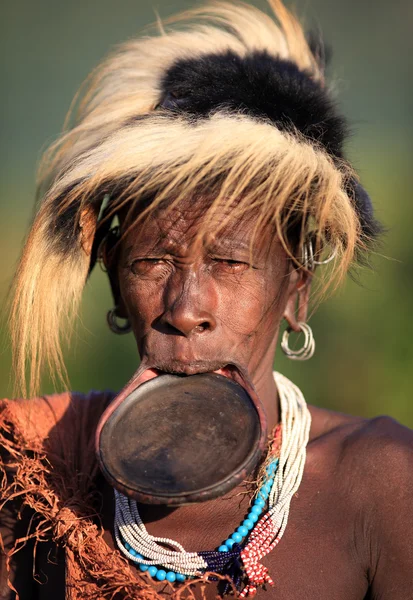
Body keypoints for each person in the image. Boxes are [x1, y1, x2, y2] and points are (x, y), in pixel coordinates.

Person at [1, 1, 412, 599]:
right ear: (116, 286)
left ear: (296, 290)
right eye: (154, 262)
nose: (186, 307)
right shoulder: (33, 473)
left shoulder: (380, 483)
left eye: (230, 262)